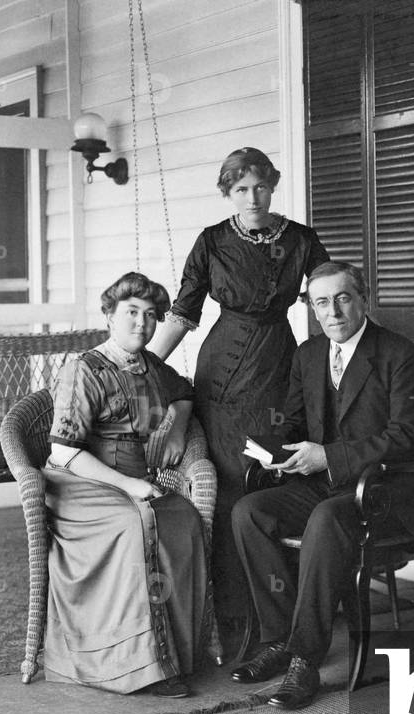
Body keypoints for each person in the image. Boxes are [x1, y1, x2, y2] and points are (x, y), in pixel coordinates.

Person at [229, 261, 414, 711]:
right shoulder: (307, 355)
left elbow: (409, 436)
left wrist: (330, 456)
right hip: (325, 484)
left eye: (343, 298)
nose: (333, 311)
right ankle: (279, 639)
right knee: (250, 511)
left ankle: (306, 658)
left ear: (363, 298)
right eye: (322, 302)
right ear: (313, 309)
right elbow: (294, 422)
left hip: (384, 492)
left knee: (326, 518)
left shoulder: (399, 354)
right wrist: (273, 454)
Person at [149, 147, 329, 625]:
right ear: (228, 193)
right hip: (222, 371)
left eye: (260, 186)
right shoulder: (211, 241)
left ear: (273, 186)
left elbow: (328, 303)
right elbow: (183, 314)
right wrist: (141, 365)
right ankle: (226, 615)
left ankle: (279, 609)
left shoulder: (303, 240)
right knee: (226, 482)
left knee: (270, 475)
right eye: (241, 189)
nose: (253, 196)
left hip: (279, 365)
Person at [43, 272, 207, 697]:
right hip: (81, 482)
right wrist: (127, 485)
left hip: (135, 478)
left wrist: (177, 426)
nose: (142, 323)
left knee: (183, 519)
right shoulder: (84, 369)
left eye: (151, 316)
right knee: (133, 524)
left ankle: (178, 652)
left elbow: (185, 391)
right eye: (131, 312)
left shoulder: (151, 367)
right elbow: (64, 453)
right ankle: (138, 666)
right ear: (110, 317)